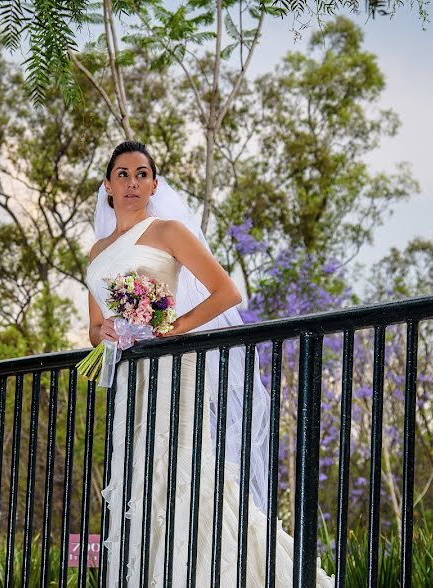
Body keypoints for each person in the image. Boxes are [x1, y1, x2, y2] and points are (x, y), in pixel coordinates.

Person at [87, 140, 334, 587]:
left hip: (172, 372)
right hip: (131, 379)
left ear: (154, 184)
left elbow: (227, 293)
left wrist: (175, 326)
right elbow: (94, 325)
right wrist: (104, 332)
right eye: (122, 174)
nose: (132, 182)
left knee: (185, 474)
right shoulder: (98, 251)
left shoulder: (167, 232)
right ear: (107, 186)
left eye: (142, 174)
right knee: (143, 482)